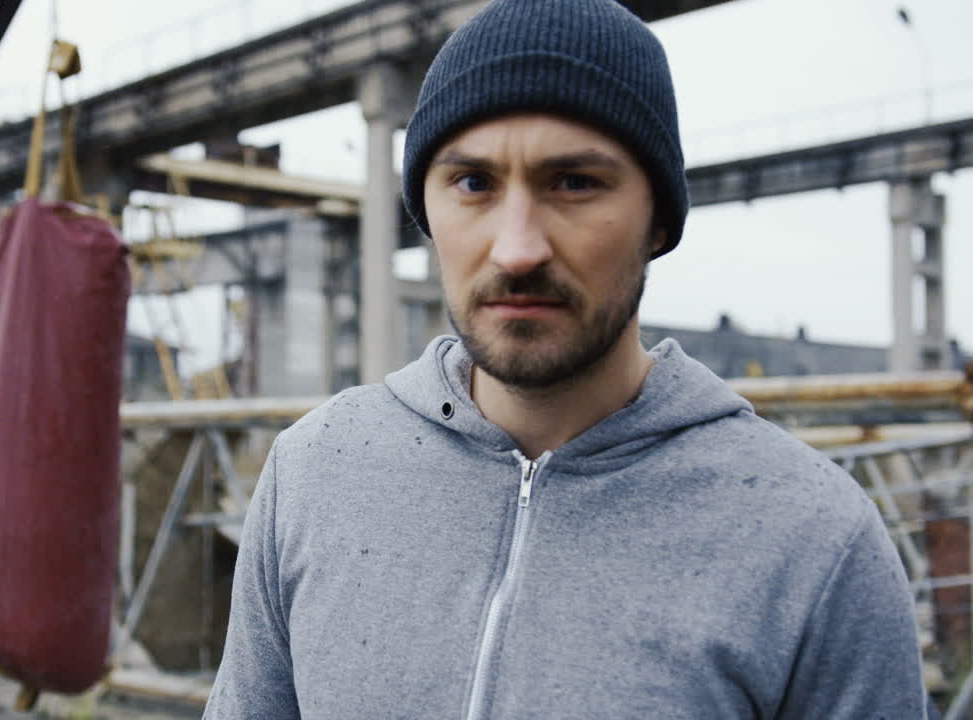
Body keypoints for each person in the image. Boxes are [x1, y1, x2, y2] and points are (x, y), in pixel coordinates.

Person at [204, 0, 927, 717]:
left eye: (575, 182)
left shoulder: (814, 541)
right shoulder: (315, 473)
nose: (518, 248)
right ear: (426, 211)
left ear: (660, 221)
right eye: (474, 184)